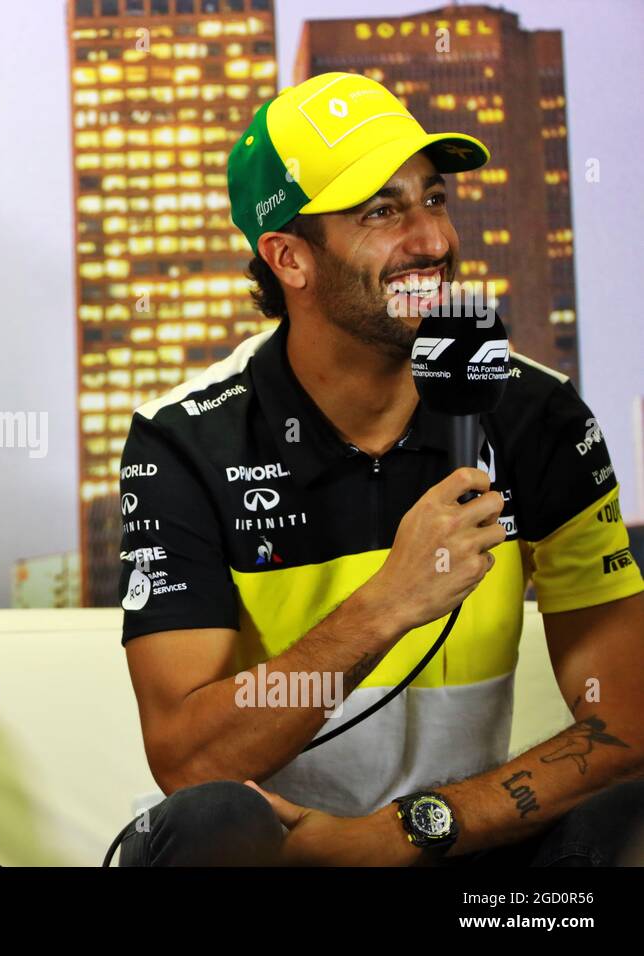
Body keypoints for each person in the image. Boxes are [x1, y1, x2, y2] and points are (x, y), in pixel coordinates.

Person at [111, 72, 644, 866]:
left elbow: (628, 722)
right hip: (283, 852)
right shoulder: (185, 441)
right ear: (288, 257)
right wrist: (388, 602)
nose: (431, 240)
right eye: (381, 212)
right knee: (208, 822)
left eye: (433, 199)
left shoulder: (538, 412)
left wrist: (406, 832)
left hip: (468, 849)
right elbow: (191, 762)